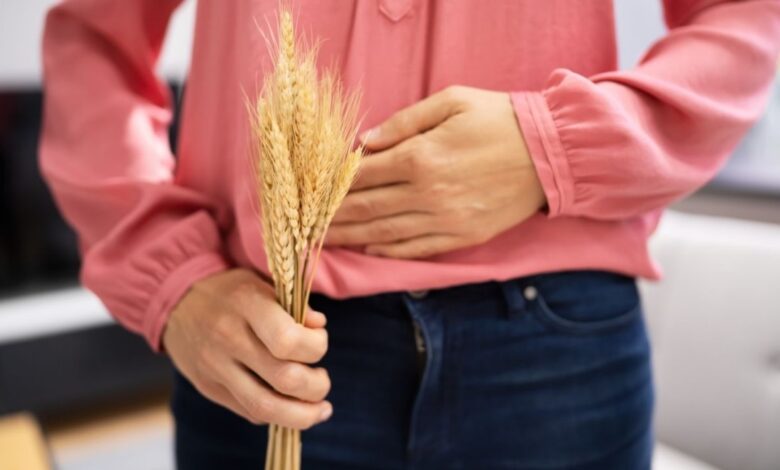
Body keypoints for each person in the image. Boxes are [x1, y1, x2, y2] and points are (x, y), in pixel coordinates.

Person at [39, 1, 780, 468]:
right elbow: (93, 40)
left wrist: (555, 145)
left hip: (557, 355)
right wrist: (172, 278)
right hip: (267, 353)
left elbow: (748, 16)